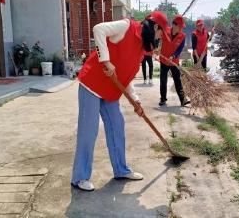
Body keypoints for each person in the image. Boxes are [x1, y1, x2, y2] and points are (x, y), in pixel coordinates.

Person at [72, 11, 168, 191]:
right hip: (92, 84)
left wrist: (136, 100)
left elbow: (126, 77)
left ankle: (121, 170)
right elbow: (98, 29)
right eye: (161, 34)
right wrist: (106, 61)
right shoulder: (127, 26)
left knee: (117, 126)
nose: (160, 38)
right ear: (155, 27)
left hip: (111, 90)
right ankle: (80, 177)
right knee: (88, 131)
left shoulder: (141, 47)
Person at [159, 14, 190, 107]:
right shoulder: (165, 31)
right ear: (174, 25)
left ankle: (182, 99)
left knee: (177, 80)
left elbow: (179, 49)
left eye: (182, 27)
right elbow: (158, 38)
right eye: (180, 27)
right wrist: (156, 48)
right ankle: (163, 99)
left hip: (174, 62)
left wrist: (174, 56)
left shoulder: (182, 36)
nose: (181, 29)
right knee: (163, 80)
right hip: (164, 61)